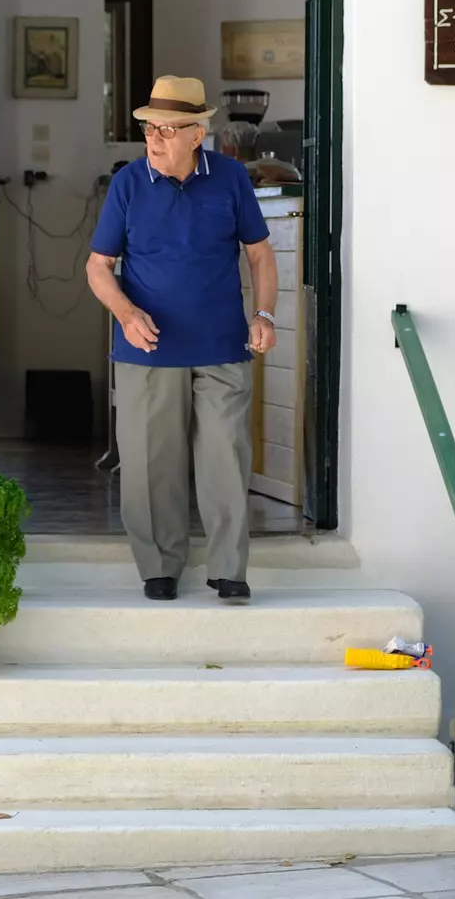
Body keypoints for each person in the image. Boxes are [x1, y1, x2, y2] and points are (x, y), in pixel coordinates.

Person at [87, 76, 277, 604]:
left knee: (225, 455)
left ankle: (228, 569)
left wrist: (264, 314)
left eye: (169, 129)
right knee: (151, 463)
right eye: (150, 127)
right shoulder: (128, 183)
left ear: (199, 133)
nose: (155, 137)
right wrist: (125, 314)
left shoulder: (231, 178)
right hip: (147, 348)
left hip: (221, 343)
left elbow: (259, 253)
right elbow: (98, 267)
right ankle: (159, 568)